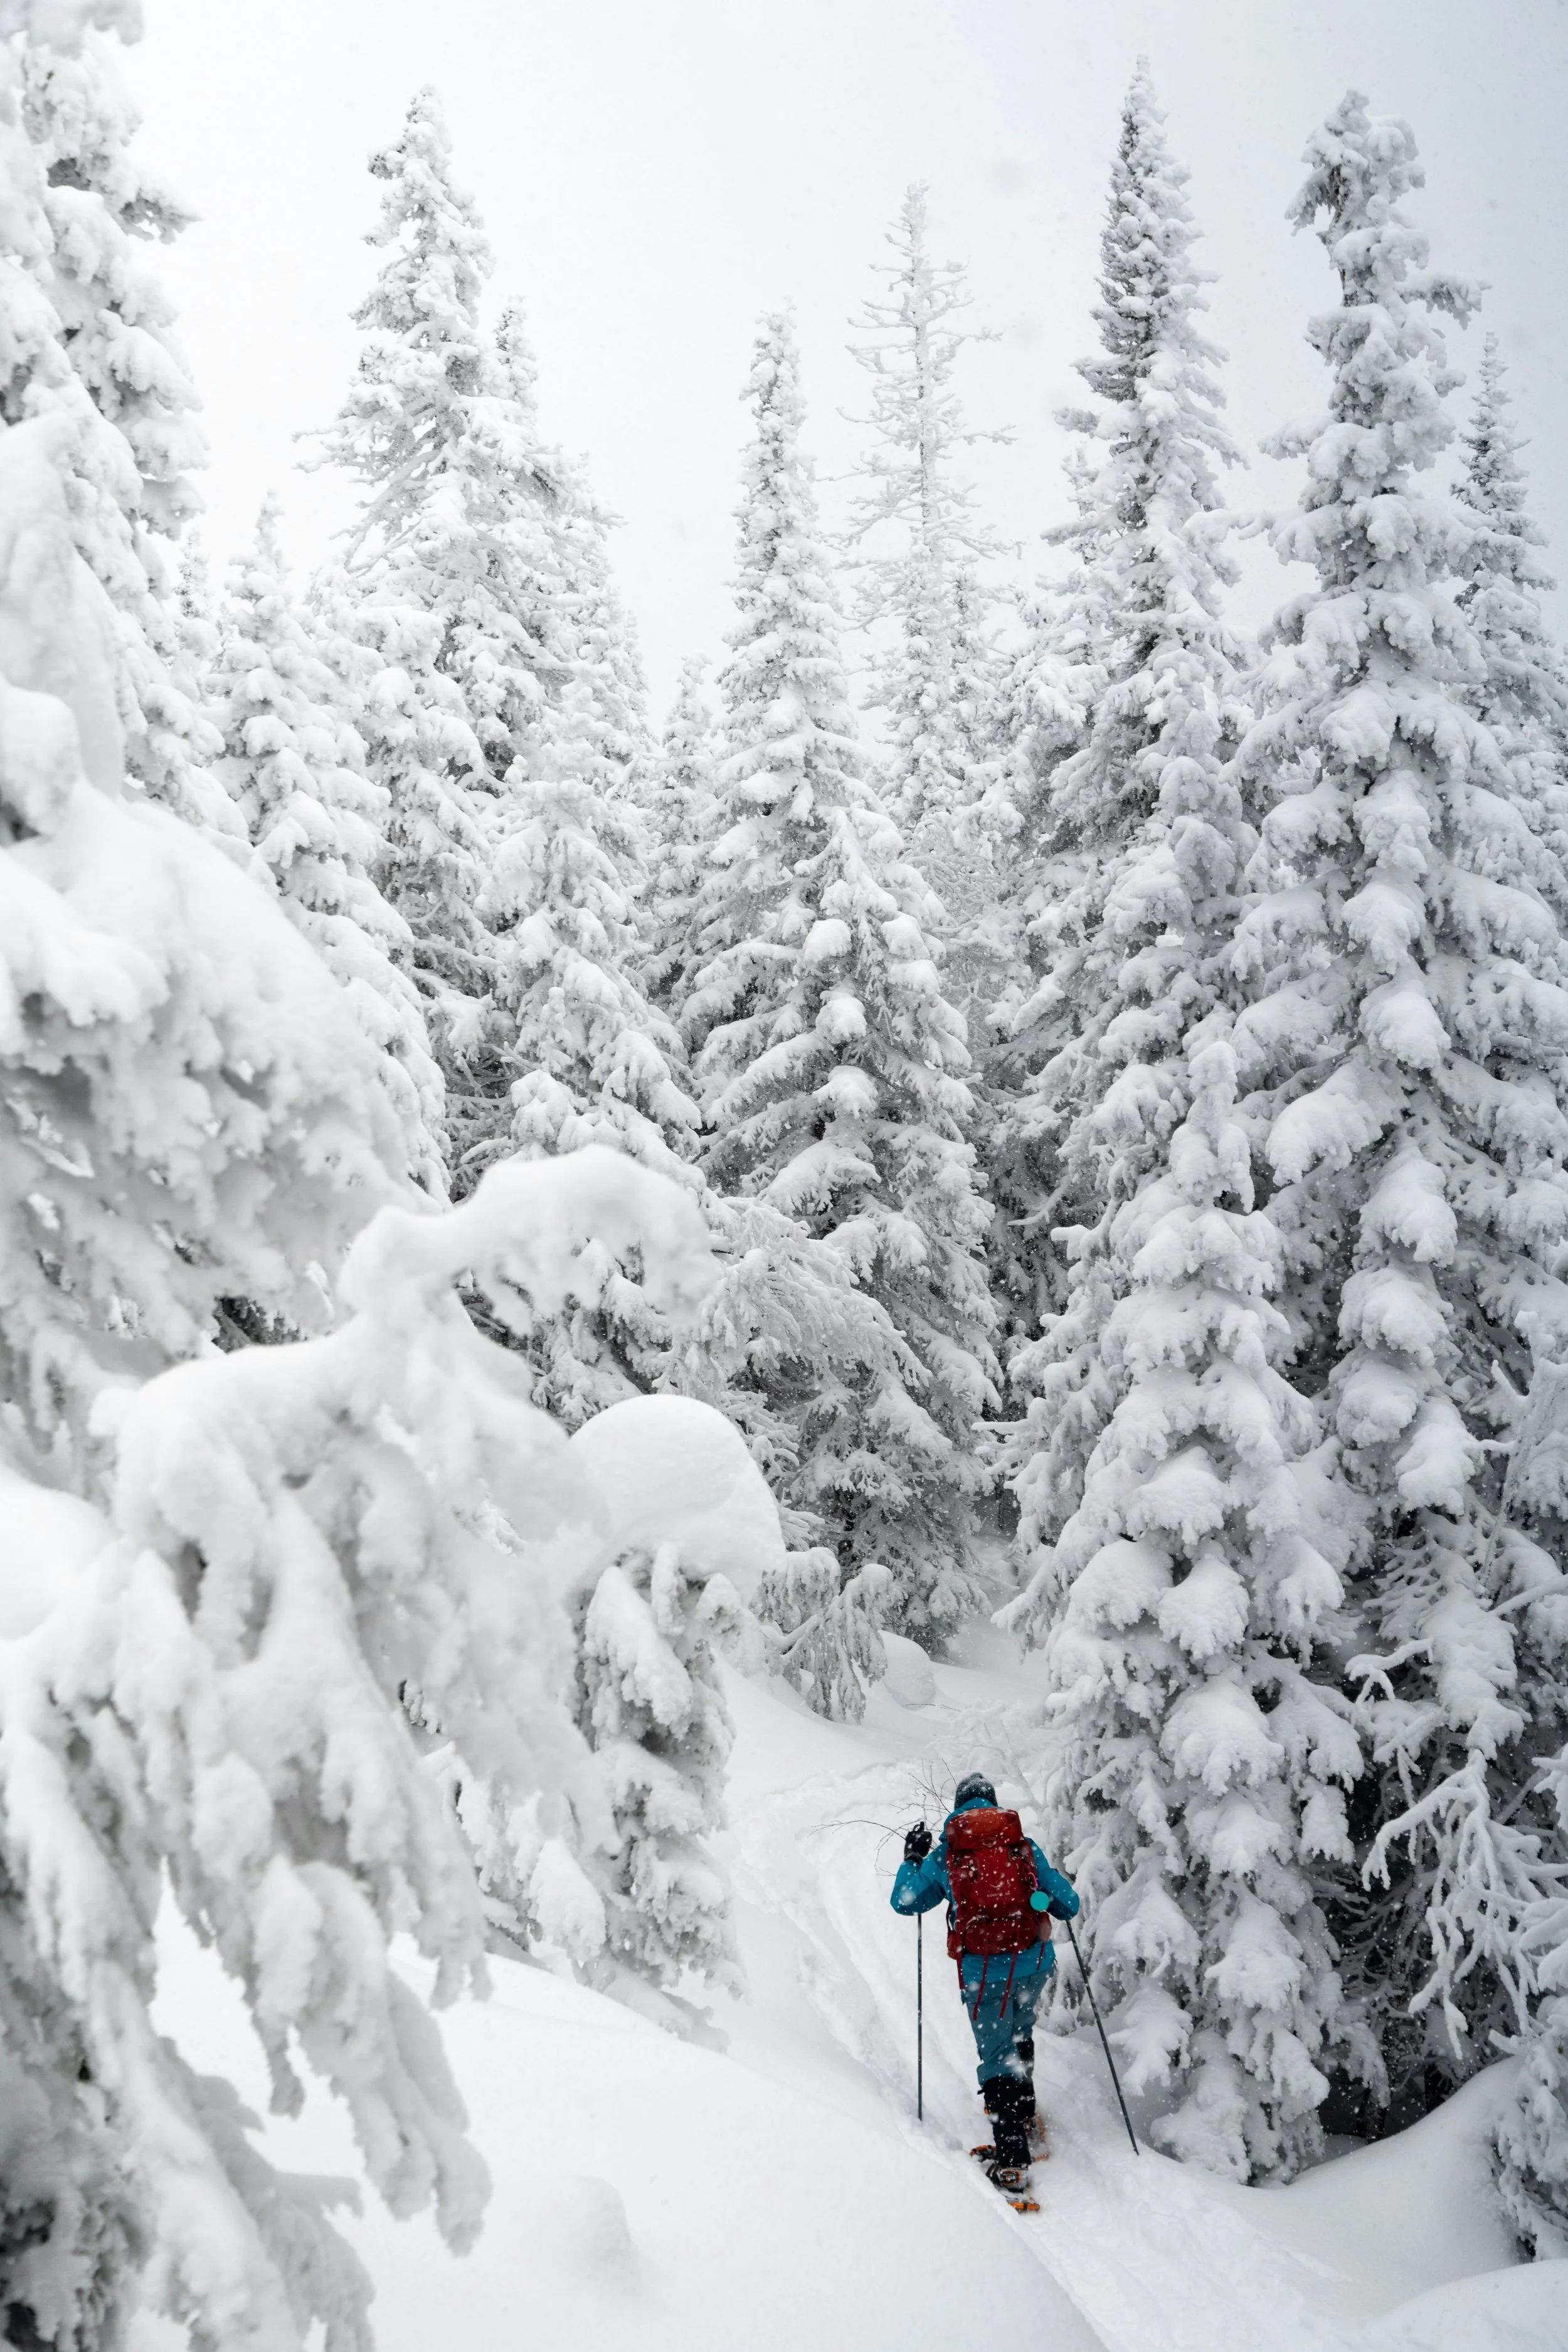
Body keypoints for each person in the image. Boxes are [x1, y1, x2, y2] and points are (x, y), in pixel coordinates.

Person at [891, 1772, 1078, 2196]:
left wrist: (912, 1860)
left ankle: (1011, 2160)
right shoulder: (1022, 1847)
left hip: (984, 1972)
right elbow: (1070, 1904)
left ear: (959, 1807)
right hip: (1034, 1964)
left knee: (997, 2054)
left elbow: (904, 1902)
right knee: (1020, 2031)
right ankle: (1024, 2112)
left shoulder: (947, 1855)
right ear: (995, 1806)